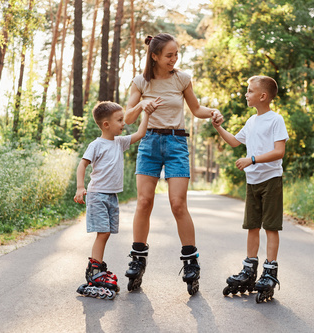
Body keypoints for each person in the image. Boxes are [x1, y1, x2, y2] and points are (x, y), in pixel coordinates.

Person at [123, 33, 223, 295]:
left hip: (177, 143)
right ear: (154, 56)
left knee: (178, 204)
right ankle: (138, 257)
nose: (174, 59)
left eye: (176, 54)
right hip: (149, 143)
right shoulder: (140, 81)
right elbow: (127, 117)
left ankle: (191, 262)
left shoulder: (182, 79)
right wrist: (143, 103)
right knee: (144, 201)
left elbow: (197, 109)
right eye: (169, 55)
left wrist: (213, 112)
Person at [213, 75, 288, 303]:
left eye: (249, 90)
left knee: (271, 227)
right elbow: (235, 142)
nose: (246, 94)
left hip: (271, 180)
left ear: (262, 96)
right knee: (252, 226)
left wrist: (252, 159)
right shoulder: (251, 121)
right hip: (252, 182)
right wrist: (218, 127)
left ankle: (269, 272)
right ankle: (249, 270)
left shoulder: (276, 120)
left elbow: (279, 152)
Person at [74, 101, 150, 299]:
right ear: (106, 124)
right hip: (97, 194)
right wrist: (80, 187)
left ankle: (96, 267)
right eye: (119, 120)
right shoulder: (96, 145)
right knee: (103, 232)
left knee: (106, 233)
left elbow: (140, 134)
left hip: (112, 196)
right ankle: (94, 270)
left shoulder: (119, 142)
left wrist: (146, 113)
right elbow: (82, 165)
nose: (123, 123)